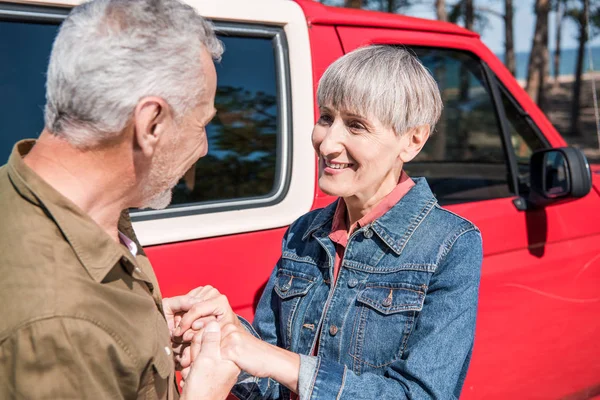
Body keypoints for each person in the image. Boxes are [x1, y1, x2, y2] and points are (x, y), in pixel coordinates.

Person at [174, 45, 484, 399]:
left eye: (355, 125)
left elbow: (423, 395)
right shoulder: (303, 233)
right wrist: (223, 334)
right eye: (326, 118)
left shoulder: (450, 244)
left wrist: (277, 361)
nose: (327, 143)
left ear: (413, 140)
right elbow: (267, 376)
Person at [0, 0, 240, 398]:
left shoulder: (79, 213)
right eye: (202, 125)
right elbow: (74, 328)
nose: (203, 149)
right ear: (152, 124)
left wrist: (143, 329)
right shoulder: (63, 327)